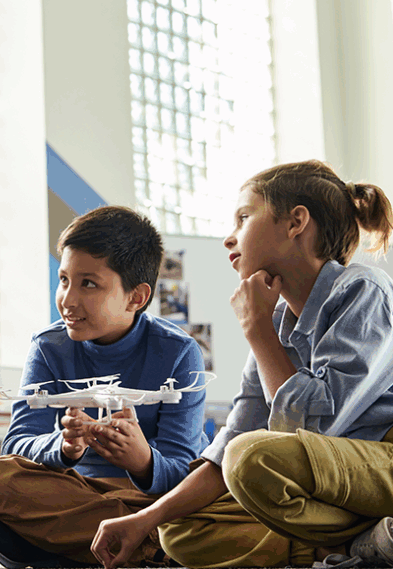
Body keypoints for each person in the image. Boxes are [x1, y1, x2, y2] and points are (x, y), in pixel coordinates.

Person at [91, 160, 393, 569]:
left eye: (244, 218)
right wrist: (145, 518)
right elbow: (228, 446)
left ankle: (352, 544)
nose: (228, 238)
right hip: (326, 490)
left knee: (252, 458)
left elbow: (314, 429)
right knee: (178, 527)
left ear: (295, 223)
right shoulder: (273, 321)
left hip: (380, 463)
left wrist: (258, 332)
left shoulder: (363, 289)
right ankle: (348, 548)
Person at [0, 205, 209, 567]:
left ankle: (104, 543)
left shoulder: (179, 352)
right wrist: (65, 448)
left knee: (211, 503)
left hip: (152, 502)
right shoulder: (48, 347)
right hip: (74, 492)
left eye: (89, 284)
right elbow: (17, 444)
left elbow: (185, 466)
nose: (67, 300)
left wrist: (142, 461)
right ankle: (148, 551)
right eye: (64, 279)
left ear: (136, 297)